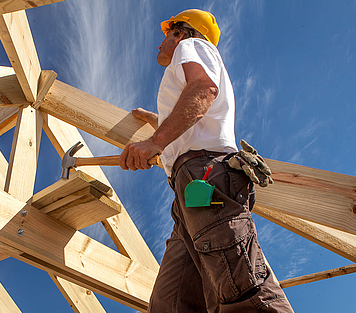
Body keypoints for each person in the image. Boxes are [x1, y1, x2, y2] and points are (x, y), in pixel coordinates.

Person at [119, 9, 294, 312]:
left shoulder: (192, 47)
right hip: (189, 190)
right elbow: (195, 118)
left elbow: (203, 89)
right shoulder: (186, 59)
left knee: (243, 293)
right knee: (170, 303)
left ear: (182, 32)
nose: (160, 42)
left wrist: (154, 142)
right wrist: (157, 124)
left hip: (205, 176)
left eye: (166, 34)